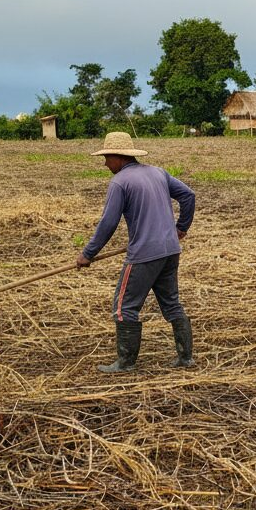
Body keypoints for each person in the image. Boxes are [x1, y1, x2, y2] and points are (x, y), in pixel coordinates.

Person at [77, 132, 196, 373]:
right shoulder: (158, 172)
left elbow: (108, 223)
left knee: (124, 307)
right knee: (171, 303)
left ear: (118, 157)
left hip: (144, 254)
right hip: (170, 249)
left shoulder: (120, 182)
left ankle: (126, 362)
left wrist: (88, 253)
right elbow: (188, 195)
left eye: (107, 157)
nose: (105, 163)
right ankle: (186, 358)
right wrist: (180, 228)